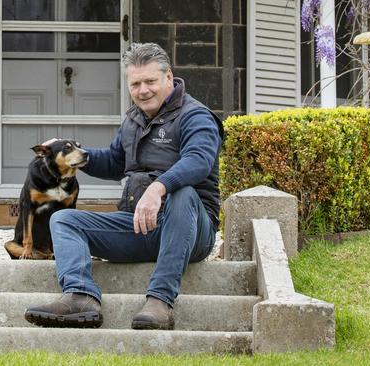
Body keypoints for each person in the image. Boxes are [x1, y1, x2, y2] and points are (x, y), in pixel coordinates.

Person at [23, 42, 224, 330]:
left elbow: (199, 161)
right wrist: (74, 155)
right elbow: (115, 162)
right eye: (135, 84)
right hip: (139, 226)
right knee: (64, 219)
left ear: (169, 78)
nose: (143, 90)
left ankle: (160, 301)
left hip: (191, 230)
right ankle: (81, 297)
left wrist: (159, 188)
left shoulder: (196, 116)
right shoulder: (133, 120)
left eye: (150, 81)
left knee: (183, 192)